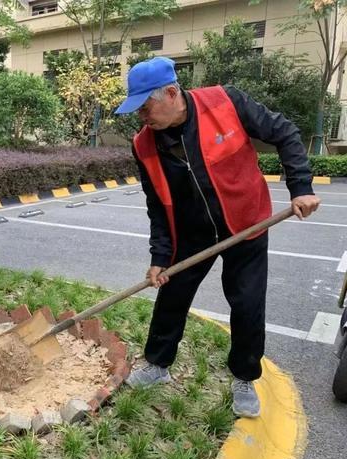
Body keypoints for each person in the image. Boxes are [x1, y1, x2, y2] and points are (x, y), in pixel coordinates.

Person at [115, 56, 321, 418]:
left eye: (146, 106)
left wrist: (300, 187)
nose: (142, 116)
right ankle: (157, 366)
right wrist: (161, 257)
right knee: (172, 296)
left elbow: (285, 132)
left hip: (247, 225)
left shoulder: (225, 102)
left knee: (247, 305)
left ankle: (244, 377)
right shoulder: (144, 145)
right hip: (191, 234)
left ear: (171, 92)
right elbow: (158, 206)